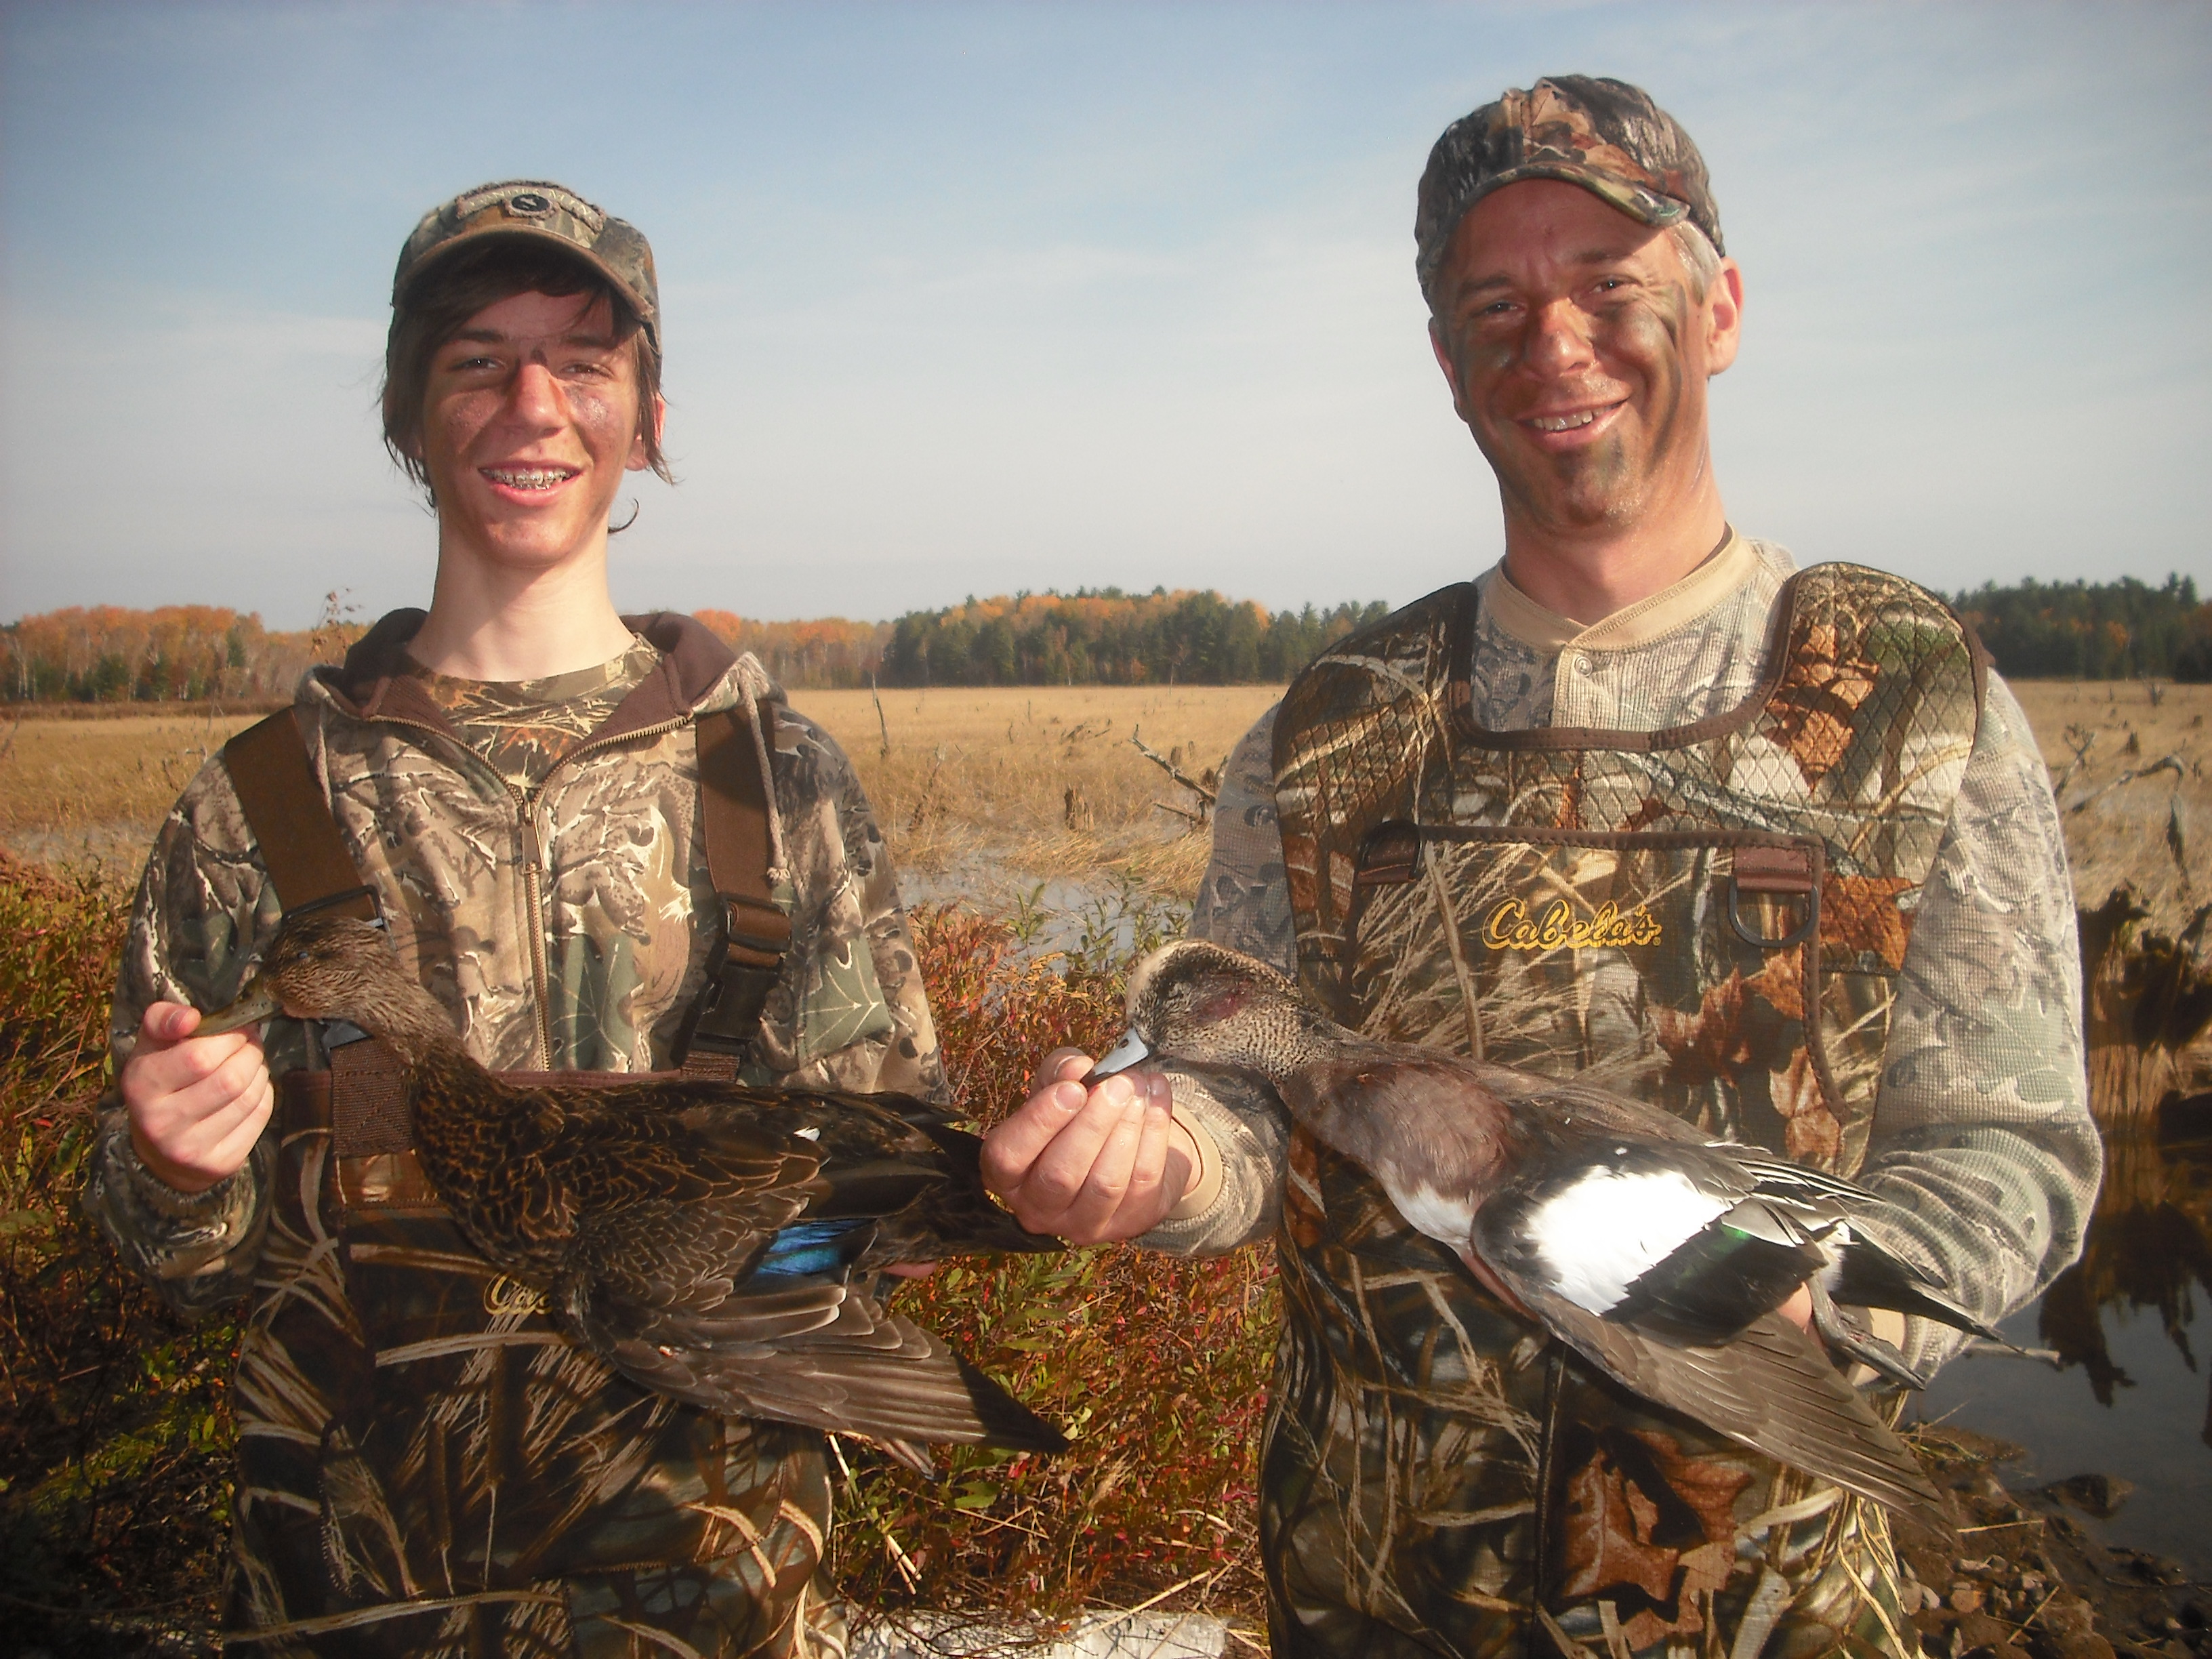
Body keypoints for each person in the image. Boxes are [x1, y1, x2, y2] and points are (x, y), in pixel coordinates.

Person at [983, 76, 2102, 1658]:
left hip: (1764, 1613)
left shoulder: (1906, 698)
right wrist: (1152, 1168)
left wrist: (1799, 1305)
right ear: (1446, 363)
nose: (1552, 342)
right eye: (1493, 303)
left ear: (1718, 310)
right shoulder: (1329, 736)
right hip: (1373, 1601)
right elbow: (1252, 1122)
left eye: (1606, 286)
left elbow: (2011, 1150)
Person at [87, 180, 943, 1656]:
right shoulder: (258, 806)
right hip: (352, 1606)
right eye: (476, 361)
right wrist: (171, 1167)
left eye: (586, 362)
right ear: (409, 415)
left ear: (648, 420)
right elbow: (175, 1267)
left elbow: (887, 1177)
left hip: (712, 1605)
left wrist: (1041, 1185)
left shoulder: (777, 783)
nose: (532, 404)